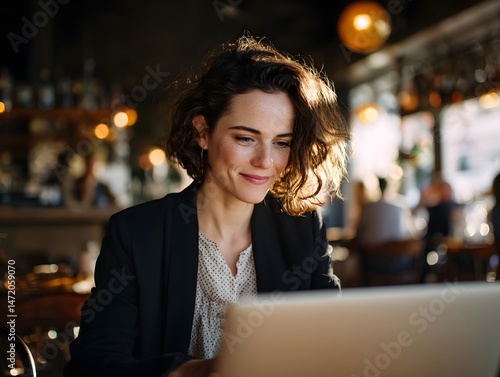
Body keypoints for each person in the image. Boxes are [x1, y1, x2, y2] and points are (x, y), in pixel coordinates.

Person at [64, 35, 350, 377]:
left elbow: (332, 345)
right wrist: (194, 372)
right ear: (202, 131)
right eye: (246, 138)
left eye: (281, 143)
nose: (265, 161)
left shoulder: (302, 227)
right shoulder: (137, 234)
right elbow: (92, 366)